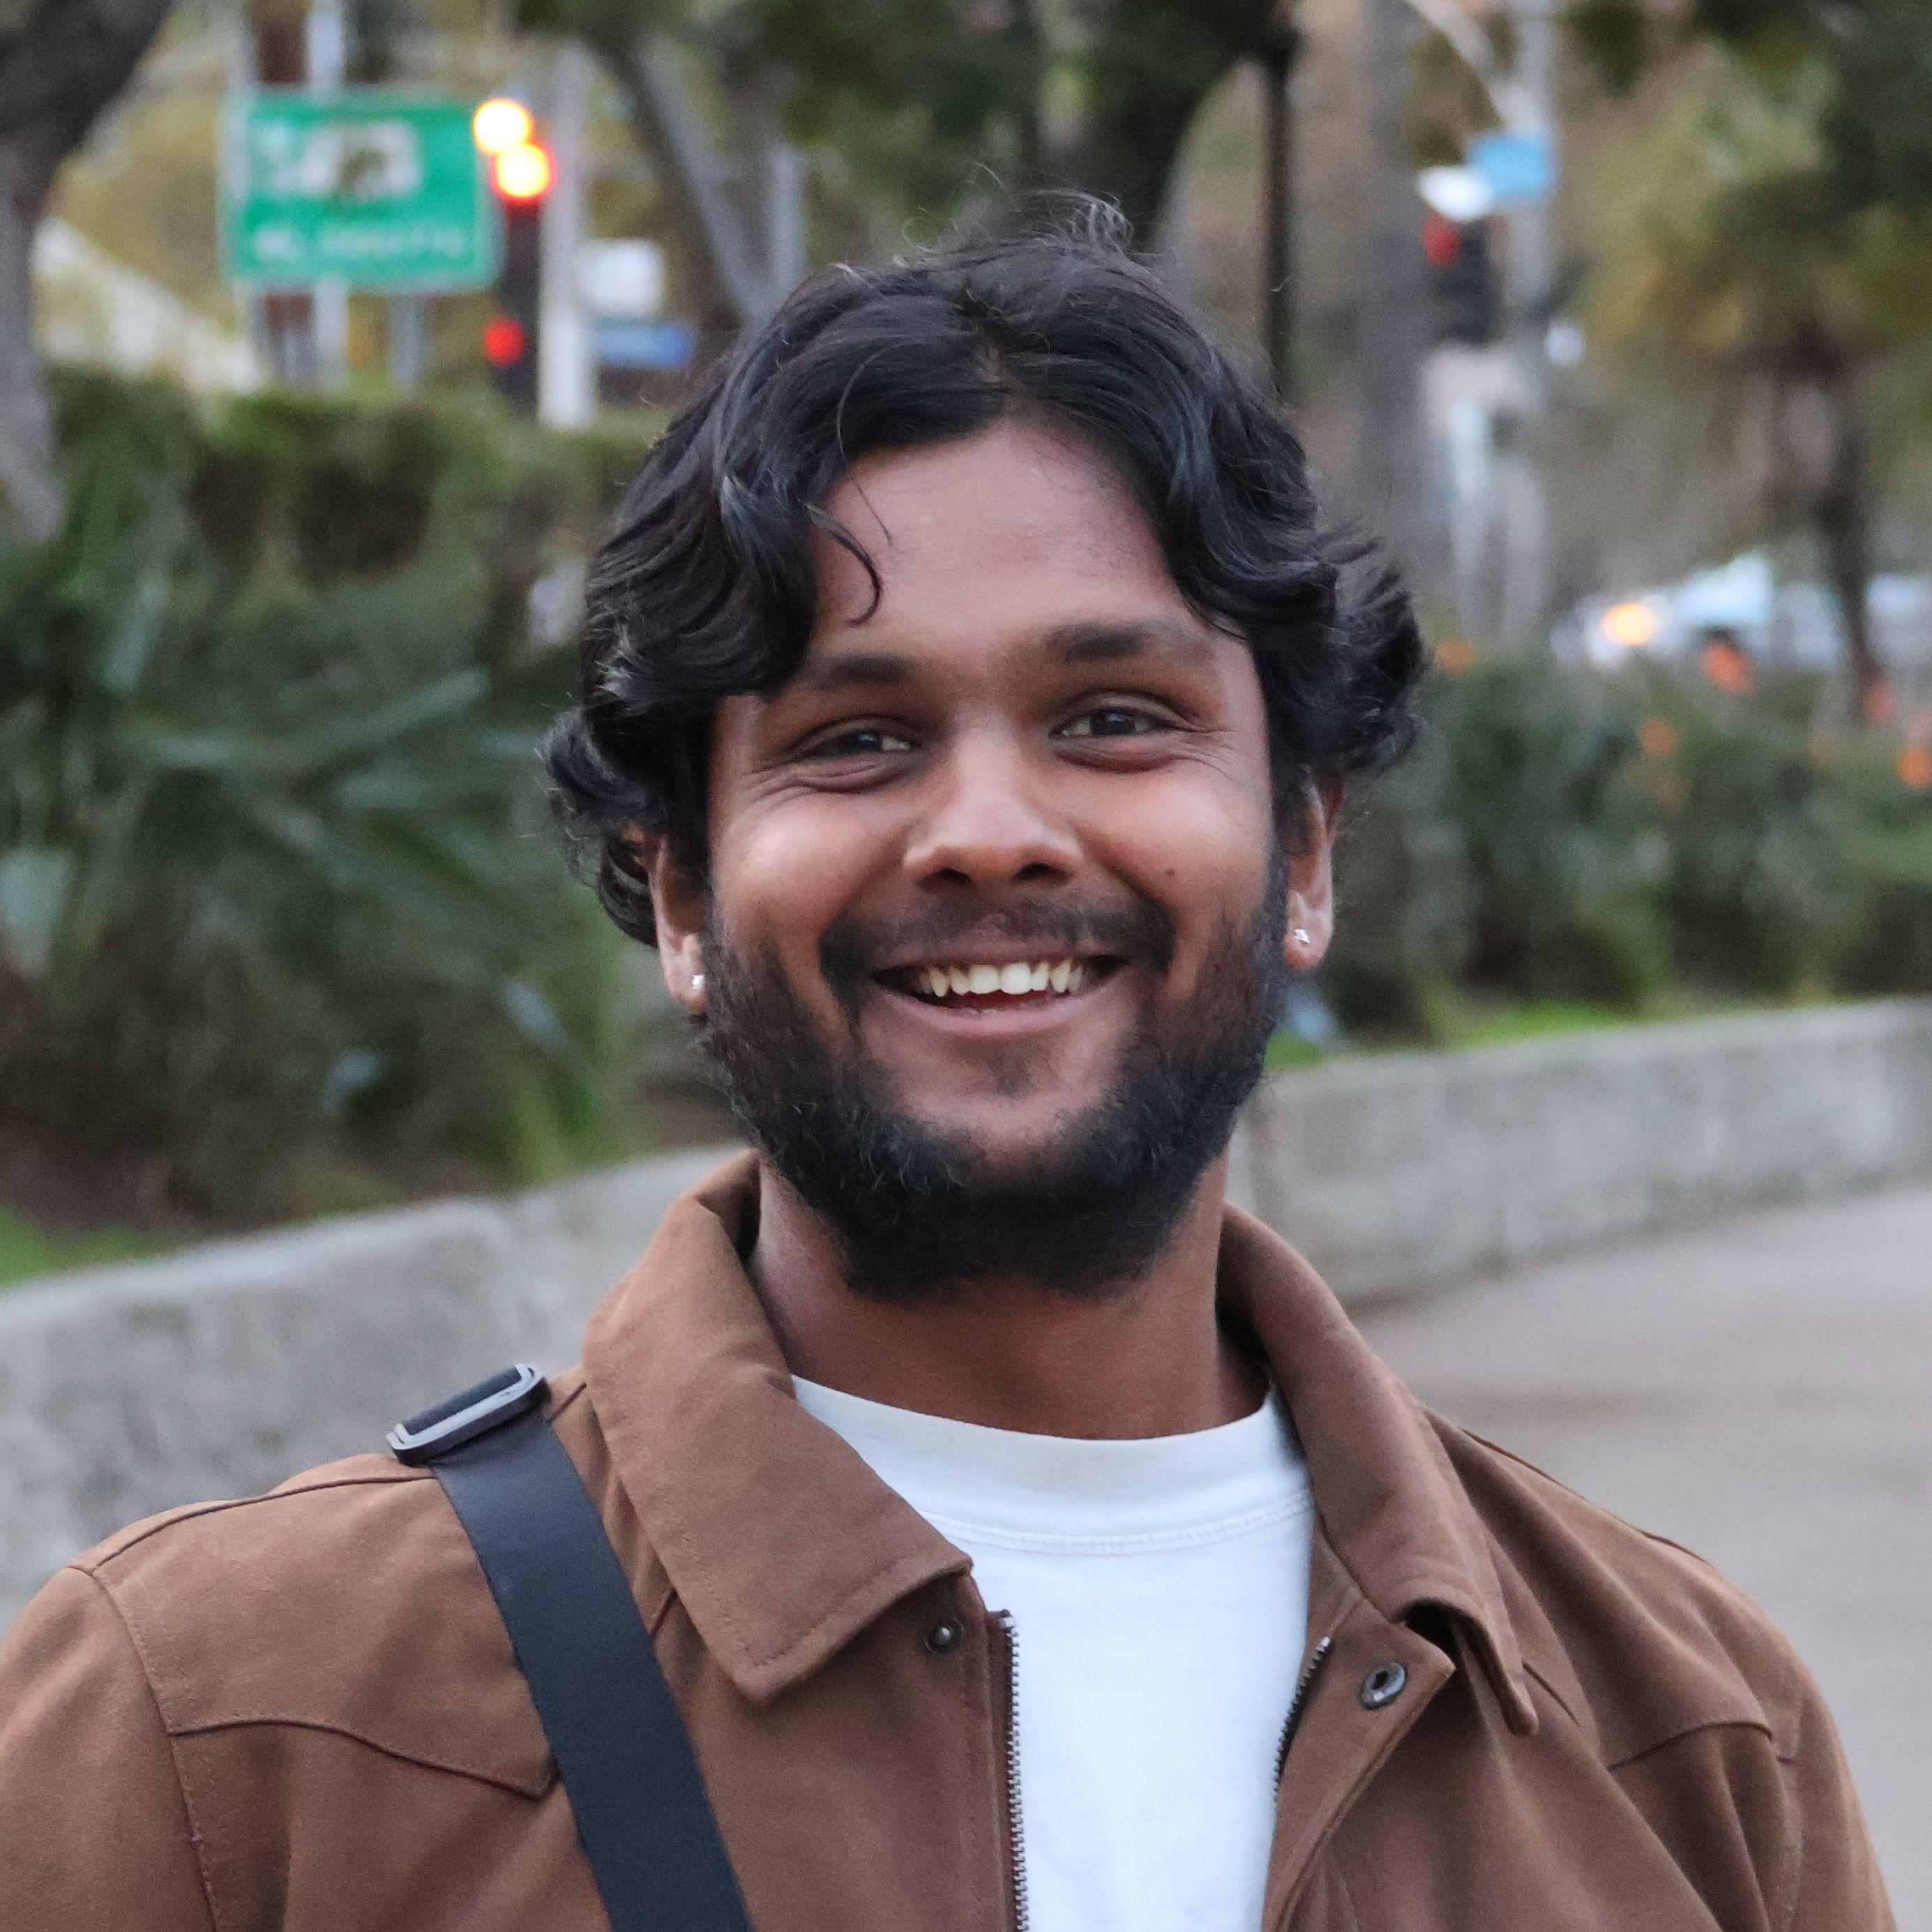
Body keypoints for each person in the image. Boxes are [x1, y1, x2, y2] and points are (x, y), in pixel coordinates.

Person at [0, 212, 1894, 1932]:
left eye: (1114, 718)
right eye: (857, 737)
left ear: (1305, 851)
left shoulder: (1690, 1743)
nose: (989, 831)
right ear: (681, 891)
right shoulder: (222, 1734)